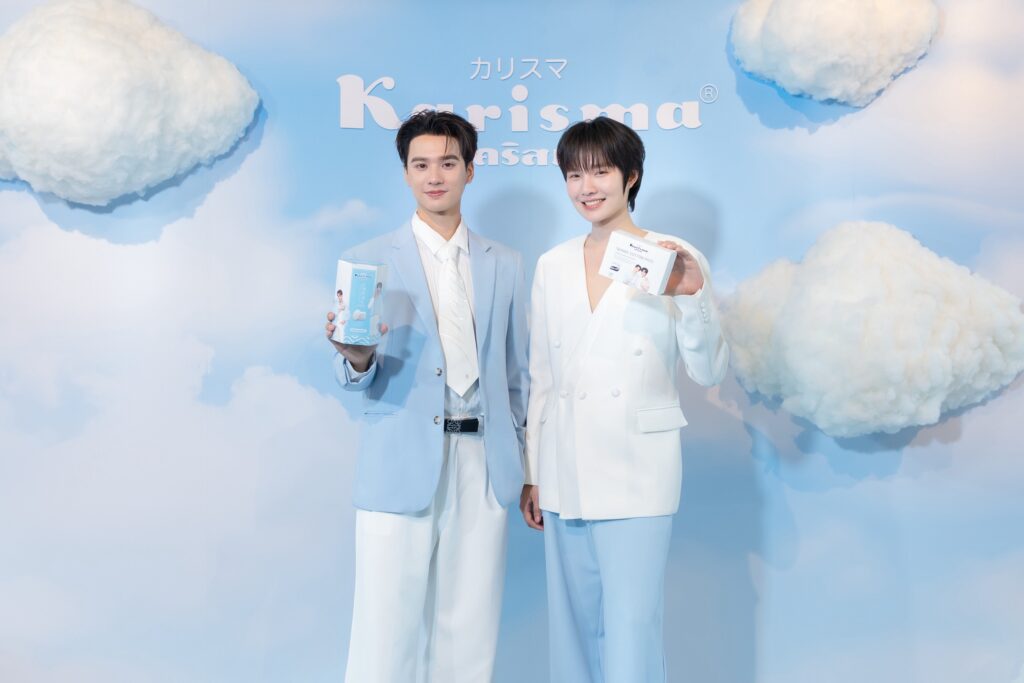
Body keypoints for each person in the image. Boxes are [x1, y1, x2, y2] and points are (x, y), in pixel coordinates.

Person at [519, 117, 729, 683]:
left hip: (637, 468)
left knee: (632, 629)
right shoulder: (552, 263)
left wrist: (692, 296)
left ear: (631, 176)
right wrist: (533, 472)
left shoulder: (671, 255)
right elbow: (542, 376)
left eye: (601, 172)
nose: (586, 188)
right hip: (564, 470)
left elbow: (709, 369)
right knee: (573, 629)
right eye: (574, 175)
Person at [326, 110, 529, 683]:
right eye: (421, 165)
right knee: (384, 630)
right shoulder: (365, 259)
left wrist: (527, 466)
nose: (434, 176)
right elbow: (354, 372)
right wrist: (356, 357)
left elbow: (517, 376)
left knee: (470, 630)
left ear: (470, 169)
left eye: (447, 163)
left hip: (483, 463)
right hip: (399, 462)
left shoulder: (506, 263)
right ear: (405, 173)